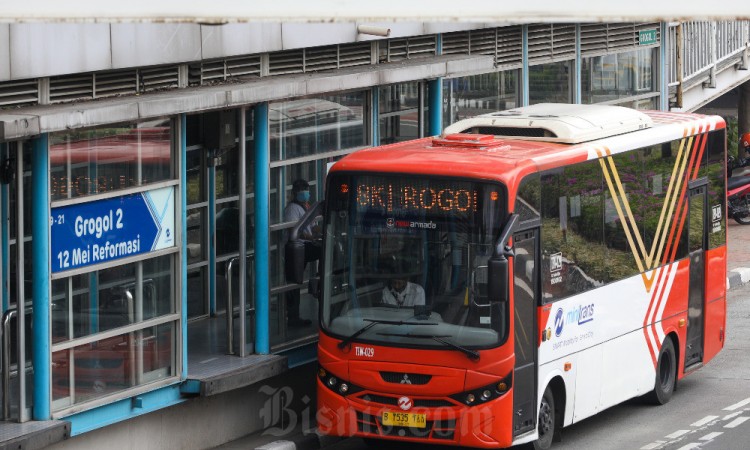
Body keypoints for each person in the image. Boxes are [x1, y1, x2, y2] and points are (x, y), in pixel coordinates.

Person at [284, 179, 316, 327]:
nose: (305, 193)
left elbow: (313, 227)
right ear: (295, 193)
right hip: (296, 249)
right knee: (294, 282)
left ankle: (318, 285)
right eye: (302, 190)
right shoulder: (292, 209)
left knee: (326, 251)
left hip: (307, 246)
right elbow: (294, 231)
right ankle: (292, 317)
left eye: (306, 190)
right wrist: (311, 237)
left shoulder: (307, 207)